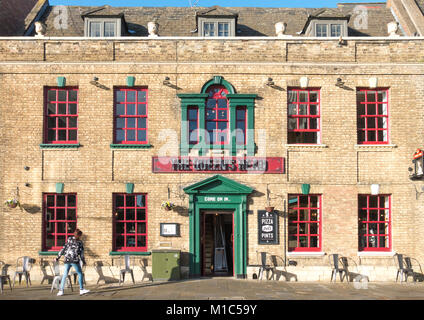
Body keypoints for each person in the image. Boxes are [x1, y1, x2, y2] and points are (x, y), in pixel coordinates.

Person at [56, 229, 90, 296]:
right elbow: (81, 254)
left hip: (67, 260)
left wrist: (58, 257)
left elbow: (63, 248)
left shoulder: (69, 239)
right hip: (74, 260)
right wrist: (83, 261)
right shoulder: (80, 242)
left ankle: (61, 291)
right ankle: (81, 289)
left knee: (65, 274)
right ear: (79, 235)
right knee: (80, 273)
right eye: (80, 235)